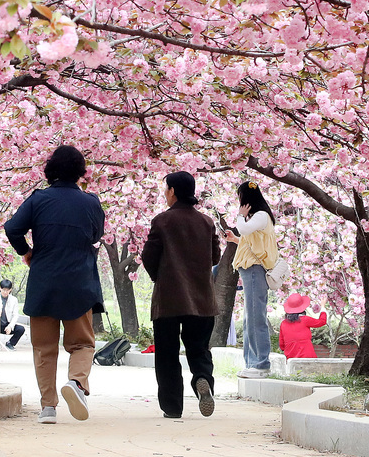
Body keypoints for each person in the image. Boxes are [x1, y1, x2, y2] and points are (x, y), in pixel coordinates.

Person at [4, 144, 105, 425]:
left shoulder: (38, 200)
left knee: (44, 348)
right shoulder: (91, 202)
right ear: (80, 172)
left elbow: (12, 227)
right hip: (79, 282)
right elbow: (96, 235)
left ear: (50, 170)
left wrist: (26, 251)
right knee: (82, 344)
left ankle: (48, 407)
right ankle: (76, 383)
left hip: (44, 280)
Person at [140, 171, 220, 419]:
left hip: (169, 299)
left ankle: (172, 407)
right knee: (199, 349)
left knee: (167, 353)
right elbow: (215, 257)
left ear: (173, 191)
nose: (164, 193)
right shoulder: (207, 222)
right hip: (202, 298)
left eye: (166, 189)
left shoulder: (162, 221)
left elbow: (148, 257)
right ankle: (203, 380)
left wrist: (160, 277)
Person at [223, 180, 277, 378]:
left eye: (241, 199)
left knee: (255, 317)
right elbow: (249, 241)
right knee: (250, 318)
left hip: (255, 270)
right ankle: (251, 363)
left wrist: (239, 216)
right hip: (250, 270)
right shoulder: (257, 218)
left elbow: (244, 230)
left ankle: (260, 364)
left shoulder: (261, 216)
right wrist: (234, 240)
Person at [278, 292, 327, 359]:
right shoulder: (305, 320)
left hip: (290, 358)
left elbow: (282, 345)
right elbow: (322, 321)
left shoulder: (283, 324)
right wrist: (323, 307)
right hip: (308, 357)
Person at [0, 279, 27, 349]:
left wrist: (10, 326)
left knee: (21, 329)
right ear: (0, 288)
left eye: (7, 290)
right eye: (4, 290)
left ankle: (10, 343)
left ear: (10, 290)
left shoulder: (14, 299)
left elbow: (15, 315)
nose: (5, 292)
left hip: (7, 325)